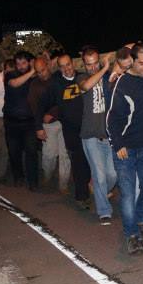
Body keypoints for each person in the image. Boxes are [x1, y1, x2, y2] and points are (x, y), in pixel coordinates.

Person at [107, 43, 143, 254]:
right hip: (126, 148)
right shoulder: (122, 83)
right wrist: (118, 144)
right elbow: (112, 118)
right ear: (132, 60)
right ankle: (131, 234)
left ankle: (141, 219)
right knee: (129, 194)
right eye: (141, 63)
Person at [35, 54, 93, 205]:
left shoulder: (83, 77)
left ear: (73, 64)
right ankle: (82, 196)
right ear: (59, 68)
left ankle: (89, 185)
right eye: (62, 66)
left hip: (89, 127)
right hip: (71, 130)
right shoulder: (55, 84)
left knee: (89, 161)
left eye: (68, 64)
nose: (66, 69)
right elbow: (40, 105)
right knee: (79, 161)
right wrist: (38, 127)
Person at [78, 47, 118, 224]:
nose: (93, 68)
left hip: (109, 137)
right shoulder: (81, 78)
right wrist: (103, 68)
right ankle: (104, 211)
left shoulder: (108, 77)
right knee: (100, 175)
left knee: (113, 174)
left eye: (96, 63)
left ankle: (99, 188)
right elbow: (86, 86)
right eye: (89, 65)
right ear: (84, 65)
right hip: (90, 136)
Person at [30, 58, 71, 193]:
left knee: (65, 154)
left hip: (64, 121)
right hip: (48, 125)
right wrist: (38, 127)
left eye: (43, 70)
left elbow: (65, 100)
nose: (41, 74)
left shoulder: (57, 79)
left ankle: (63, 184)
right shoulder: (35, 85)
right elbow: (35, 108)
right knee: (49, 155)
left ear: (48, 66)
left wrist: (53, 113)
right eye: (38, 72)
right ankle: (47, 175)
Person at [3, 51, 39, 190]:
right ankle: (18, 177)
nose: (21, 66)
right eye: (18, 63)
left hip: (29, 122)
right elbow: (15, 84)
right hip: (12, 122)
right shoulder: (10, 75)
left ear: (29, 62)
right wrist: (32, 72)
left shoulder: (35, 77)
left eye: (24, 63)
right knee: (14, 152)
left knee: (31, 152)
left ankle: (33, 182)